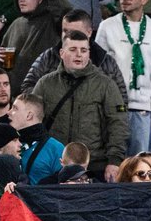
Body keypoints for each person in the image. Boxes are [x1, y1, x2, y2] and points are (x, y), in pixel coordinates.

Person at [32, 30, 128, 181]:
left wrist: (114, 161)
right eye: (73, 49)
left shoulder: (106, 84)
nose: (79, 55)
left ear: (89, 54)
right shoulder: (45, 84)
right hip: (54, 165)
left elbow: (118, 124)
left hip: (94, 166)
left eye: (83, 50)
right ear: (62, 53)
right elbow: (32, 122)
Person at [95, 0, 151, 154]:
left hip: (142, 109)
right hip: (112, 106)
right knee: (111, 158)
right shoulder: (107, 26)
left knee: (139, 162)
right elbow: (96, 69)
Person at [21, 9, 128, 102]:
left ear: (89, 33)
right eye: (65, 31)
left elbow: (120, 98)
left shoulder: (105, 62)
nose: (68, 36)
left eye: (75, 32)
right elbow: (28, 86)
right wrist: (49, 102)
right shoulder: (49, 56)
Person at [0, 0, 68, 95]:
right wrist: (2, 61)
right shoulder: (15, 24)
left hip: (44, 94)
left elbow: (67, 11)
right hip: (16, 97)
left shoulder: (53, 21)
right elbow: (5, 63)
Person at [8, 91, 64, 183]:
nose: (9, 112)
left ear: (29, 115)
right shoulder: (7, 144)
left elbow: (65, 186)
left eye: (15, 108)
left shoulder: (55, 149)